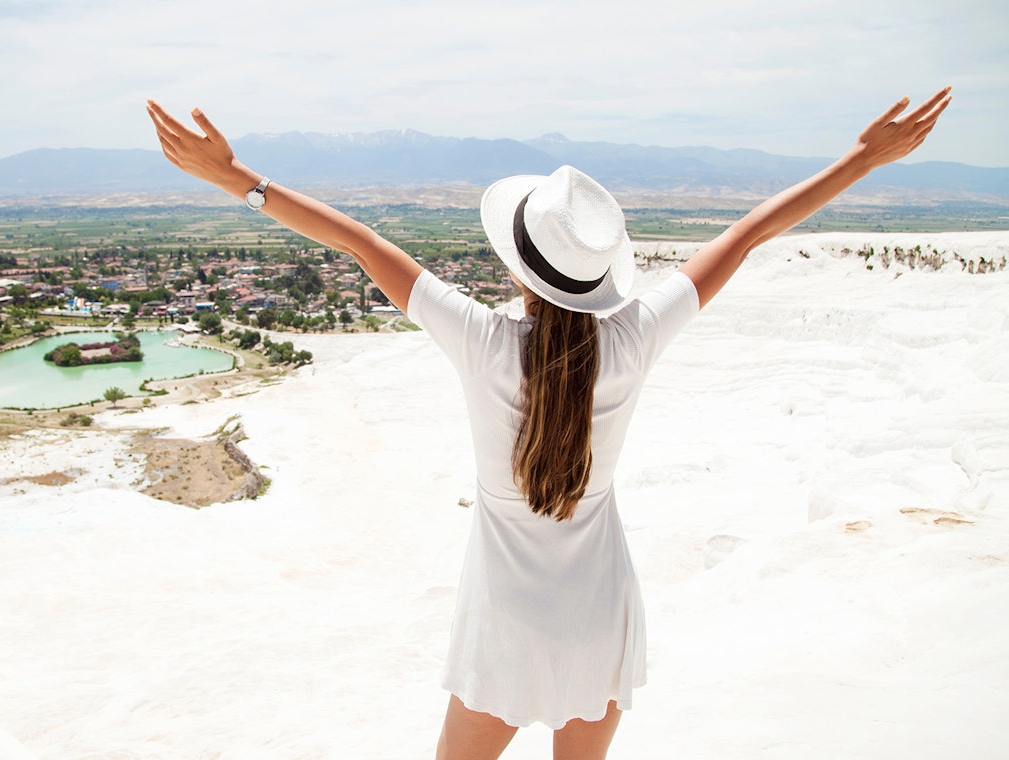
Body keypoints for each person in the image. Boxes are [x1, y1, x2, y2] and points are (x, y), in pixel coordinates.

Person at [146, 87, 951, 760]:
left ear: (519, 265)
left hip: (505, 624)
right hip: (599, 617)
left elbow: (358, 242)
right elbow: (746, 235)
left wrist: (235, 178)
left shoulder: (483, 341)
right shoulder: (632, 339)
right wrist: (863, 161)